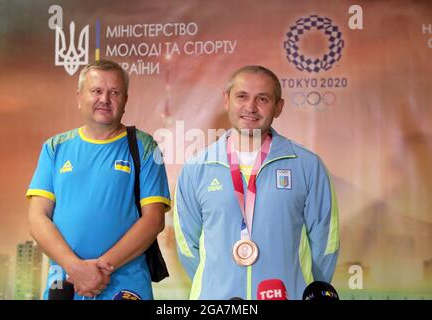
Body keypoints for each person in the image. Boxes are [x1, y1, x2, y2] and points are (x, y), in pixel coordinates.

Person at [174, 65, 339, 300]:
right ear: (227, 100)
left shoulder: (307, 165)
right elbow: (187, 248)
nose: (250, 107)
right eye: (242, 96)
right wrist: (218, 284)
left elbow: (326, 243)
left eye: (262, 99)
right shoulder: (196, 168)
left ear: (278, 107)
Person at [27, 59, 171, 300]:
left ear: (125, 99)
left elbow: (154, 220)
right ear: (79, 96)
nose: (104, 99)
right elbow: (36, 218)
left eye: (114, 92)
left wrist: (98, 270)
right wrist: (75, 267)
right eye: (96, 91)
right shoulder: (55, 147)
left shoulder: (145, 147)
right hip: (65, 285)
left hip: (125, 287)